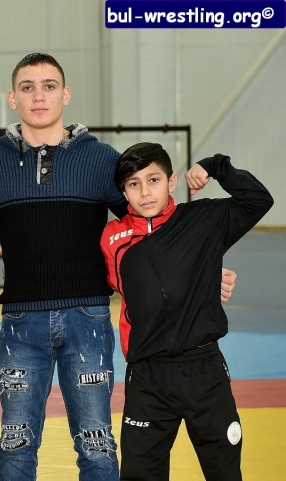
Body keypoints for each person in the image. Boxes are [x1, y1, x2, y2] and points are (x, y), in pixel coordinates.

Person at [0, 53, 238, 480]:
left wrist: (200, 273)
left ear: (66, 94)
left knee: (96, 445)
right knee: (15, 446)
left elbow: (149, 227)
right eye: (27, 87)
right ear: (12, 98)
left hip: (88, 321)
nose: (38, 96)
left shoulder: (100, 160)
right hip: (21, 324)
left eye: (48, 86)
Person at [101, 144, 272, 480]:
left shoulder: (202, 220)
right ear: (123, 191)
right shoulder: (112, 238)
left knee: (224, 471)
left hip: (204, 371)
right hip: (147, 377)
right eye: (134, 183)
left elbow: (258, 200)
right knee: (139, 473)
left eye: (153, 180)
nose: (145, 192)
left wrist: (216, 166)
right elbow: (101, 282)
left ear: (172, 181)